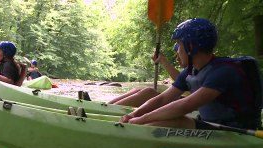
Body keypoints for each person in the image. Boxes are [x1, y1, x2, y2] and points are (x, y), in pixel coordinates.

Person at [120, 18, 262, 130]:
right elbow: (162, 99)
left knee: (163, 123)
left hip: (235, 131)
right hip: (209, 124)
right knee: (163, 120)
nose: (177, 51)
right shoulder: (190, 71)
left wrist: (141, 120)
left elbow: (185, 105)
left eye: (179, 46)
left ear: (191, 46)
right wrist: (133, 115)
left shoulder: (223, 72)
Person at [108, 44, 182, 107]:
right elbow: (182, 79)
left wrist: (163, 60)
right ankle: (108, 106)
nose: (177, 59)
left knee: (148, 92)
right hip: (183, 100)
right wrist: (163, 60)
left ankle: (110, 109)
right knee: (137, 90)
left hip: (187, 105)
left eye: (179, 53)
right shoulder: (190, 71)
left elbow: (182, 80)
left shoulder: (192, 71)